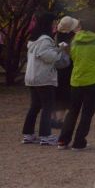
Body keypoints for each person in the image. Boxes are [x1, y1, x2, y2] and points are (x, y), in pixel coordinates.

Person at [57, 19, 95, 150]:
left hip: (76, 80)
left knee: (73, 111)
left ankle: (63, 140)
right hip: (93, 80)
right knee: (87, 113)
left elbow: (72, 57)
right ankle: (79, 142)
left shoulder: (75, 40)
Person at [22, 13, 69, 145]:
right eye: (54, 23)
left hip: (32, 77)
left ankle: (28, 134)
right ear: (48, 24)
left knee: (35, 106)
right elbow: (49, 57)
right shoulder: (45, 40)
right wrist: (60, 49)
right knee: (48, 107)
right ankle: (45, 136)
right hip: (43, 78)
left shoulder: (34, 39)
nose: (55, 25)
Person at [52, 16, 78, 129]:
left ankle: (53, 118)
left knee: (56, 94)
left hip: (56, 70)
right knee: (65, 95)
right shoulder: (74, 38)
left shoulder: (55, 36)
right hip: (69, 69)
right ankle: (60, 119)